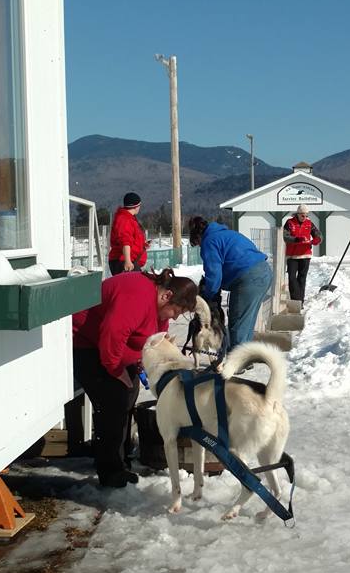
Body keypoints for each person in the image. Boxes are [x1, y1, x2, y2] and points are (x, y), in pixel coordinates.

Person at [72, 268, 197, 488]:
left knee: (130, 394)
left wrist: (140, 363)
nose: (176, 317)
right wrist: (116, 371)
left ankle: (120, 457)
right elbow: (111, 335)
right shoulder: (137, 295)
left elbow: (153, 338)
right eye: (176, 311)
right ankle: (110, 471)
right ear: (166, 296)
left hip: (112, 348)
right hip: (86, 343)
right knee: (115, 400)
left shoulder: (158, 306)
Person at [188, 216, 272, 349]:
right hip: (264, 271)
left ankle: (236, 362)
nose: (200, 247)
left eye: (198, 244)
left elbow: (214, 275)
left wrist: (208, 297)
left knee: (237, 321)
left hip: (248, 278)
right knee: (247, 321)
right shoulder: (226, 234)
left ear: (198, 238)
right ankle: (245, 357)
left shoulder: (209, 241)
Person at [283, 204, 321, 305]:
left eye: (306, 215)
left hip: (305, 254)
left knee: (302, 278)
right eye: (302, 215)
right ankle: (296, 300)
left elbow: (318, 234)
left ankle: (300, 302)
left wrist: (317, 239)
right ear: (298, 214)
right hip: (292, 255)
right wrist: (296, 239)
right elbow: (285, 236)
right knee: (291, 277)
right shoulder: (289, 223)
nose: (305, 218)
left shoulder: (309, 223)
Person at [108, 192, 148, 275]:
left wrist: (143, 245)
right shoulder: (124, 219)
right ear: (136, 206)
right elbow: (125, 241)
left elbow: (131, 240)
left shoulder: (129, 219)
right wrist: (128, 261)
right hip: (124, 262)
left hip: (131, 261)